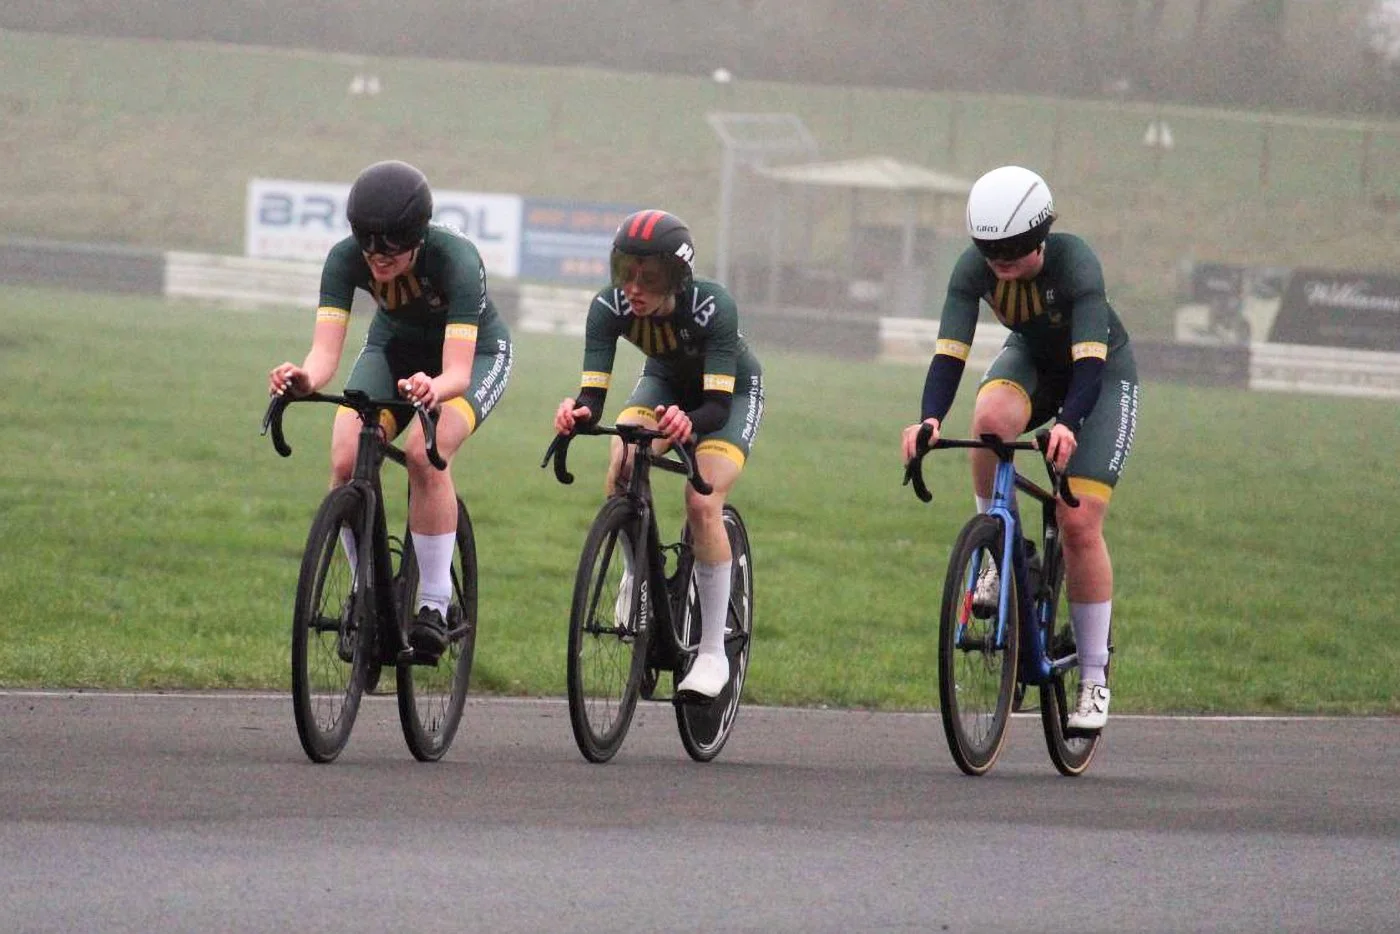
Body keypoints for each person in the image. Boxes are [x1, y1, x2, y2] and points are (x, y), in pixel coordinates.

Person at [899, 165, 1140, 730]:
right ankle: (998, 548)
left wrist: (1069, 424)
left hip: (1099, 375)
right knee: (988, 419)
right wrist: (929, 419)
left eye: (1012, 249)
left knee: (1078, 521)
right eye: (990, 251)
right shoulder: (972, 269)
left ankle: (1094, 676)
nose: (1000, 262)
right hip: (1033, 359)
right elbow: (949, 354)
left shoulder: (1076, 263)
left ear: (1041, 235)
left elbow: (1088, 363)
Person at [268, 160, 513, 662]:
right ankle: (367, 592)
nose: (377, 255)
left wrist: (433, 387)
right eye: (367, 241)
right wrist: (304, 380)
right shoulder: (344, 259)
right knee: (345, 460)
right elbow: (324, 356)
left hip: (471, 358)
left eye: (391, 245)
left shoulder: (457, 260)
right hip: (394, 349)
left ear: (418, 235)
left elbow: (457, 373)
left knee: (425, 453)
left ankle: (433, 604)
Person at [553, 209, 764, 701]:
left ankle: (711, 653)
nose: (633, 287)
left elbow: (715, 407)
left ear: (677, 278)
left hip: (728, 395)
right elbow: (593, 398)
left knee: (701, 501)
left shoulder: (713, 306)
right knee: (624, 459)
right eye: (624, 271)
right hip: (664, 381)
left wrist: (688, 424)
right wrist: (577, 412)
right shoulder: (608, 307)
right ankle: (636, 574)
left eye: (648, 277)